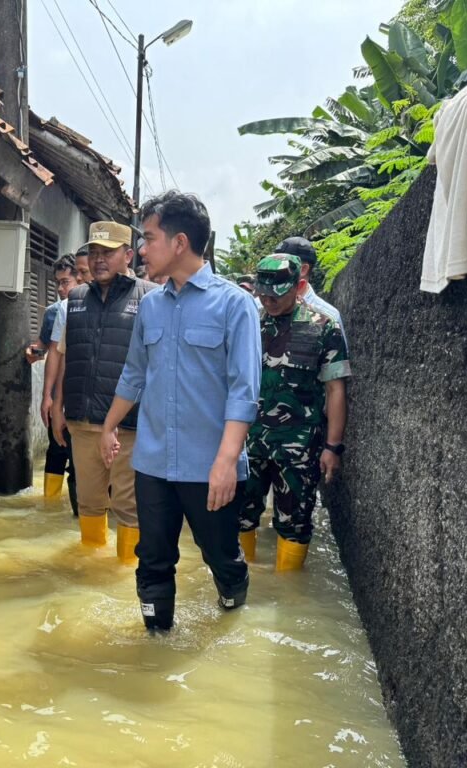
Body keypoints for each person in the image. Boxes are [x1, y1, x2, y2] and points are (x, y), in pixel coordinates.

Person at [99, 191, 261, 631]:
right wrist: (109, 426)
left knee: (220, 557)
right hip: (152, 462)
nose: (141, 249)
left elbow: (244, 392)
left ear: (180, 242)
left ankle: (233, 614)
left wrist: (227, 462)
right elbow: (134, 374)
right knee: (152, 560)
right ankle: (156, 646)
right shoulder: (150, 306)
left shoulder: (235, 305)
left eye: (148, 238)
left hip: (209, 466)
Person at [49, 221, 155, 564]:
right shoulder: (76, 299)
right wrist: (57, 407)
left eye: (107, 253)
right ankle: (91, 572)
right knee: (89, 502)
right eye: (93, 252)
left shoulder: (151, 297)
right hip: (82, 420)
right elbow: (67, 355)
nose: (98, 260)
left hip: (130, 425)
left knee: (129, 505)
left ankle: (127, 573)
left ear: (127, 255)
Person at [239, 254, 350, 571]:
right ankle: (241, 585)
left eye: (278, 293)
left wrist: (332, 447)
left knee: (295, 521)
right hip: (249, 441)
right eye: (263, 293)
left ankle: (288, 595)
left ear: (300, 286)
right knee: (239, 515)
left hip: (299, 447)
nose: (269, 300)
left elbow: (336, 390)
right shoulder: (249, 325)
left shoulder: (324, 328)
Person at [30, 256, 80, 514]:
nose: (61, 289)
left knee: (81, 458)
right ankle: (50, 502)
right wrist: (48, 395)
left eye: (65, 282)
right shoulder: (55, 311)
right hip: (59, 393)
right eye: (58, 283)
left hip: (82, 392)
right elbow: (47, 348)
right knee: (57, 447)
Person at [275, 236, 348, 349]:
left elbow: (337, 362)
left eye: (281, 263)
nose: (274, 268)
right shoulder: (257, 306)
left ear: (303, 269)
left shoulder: (328, 316)